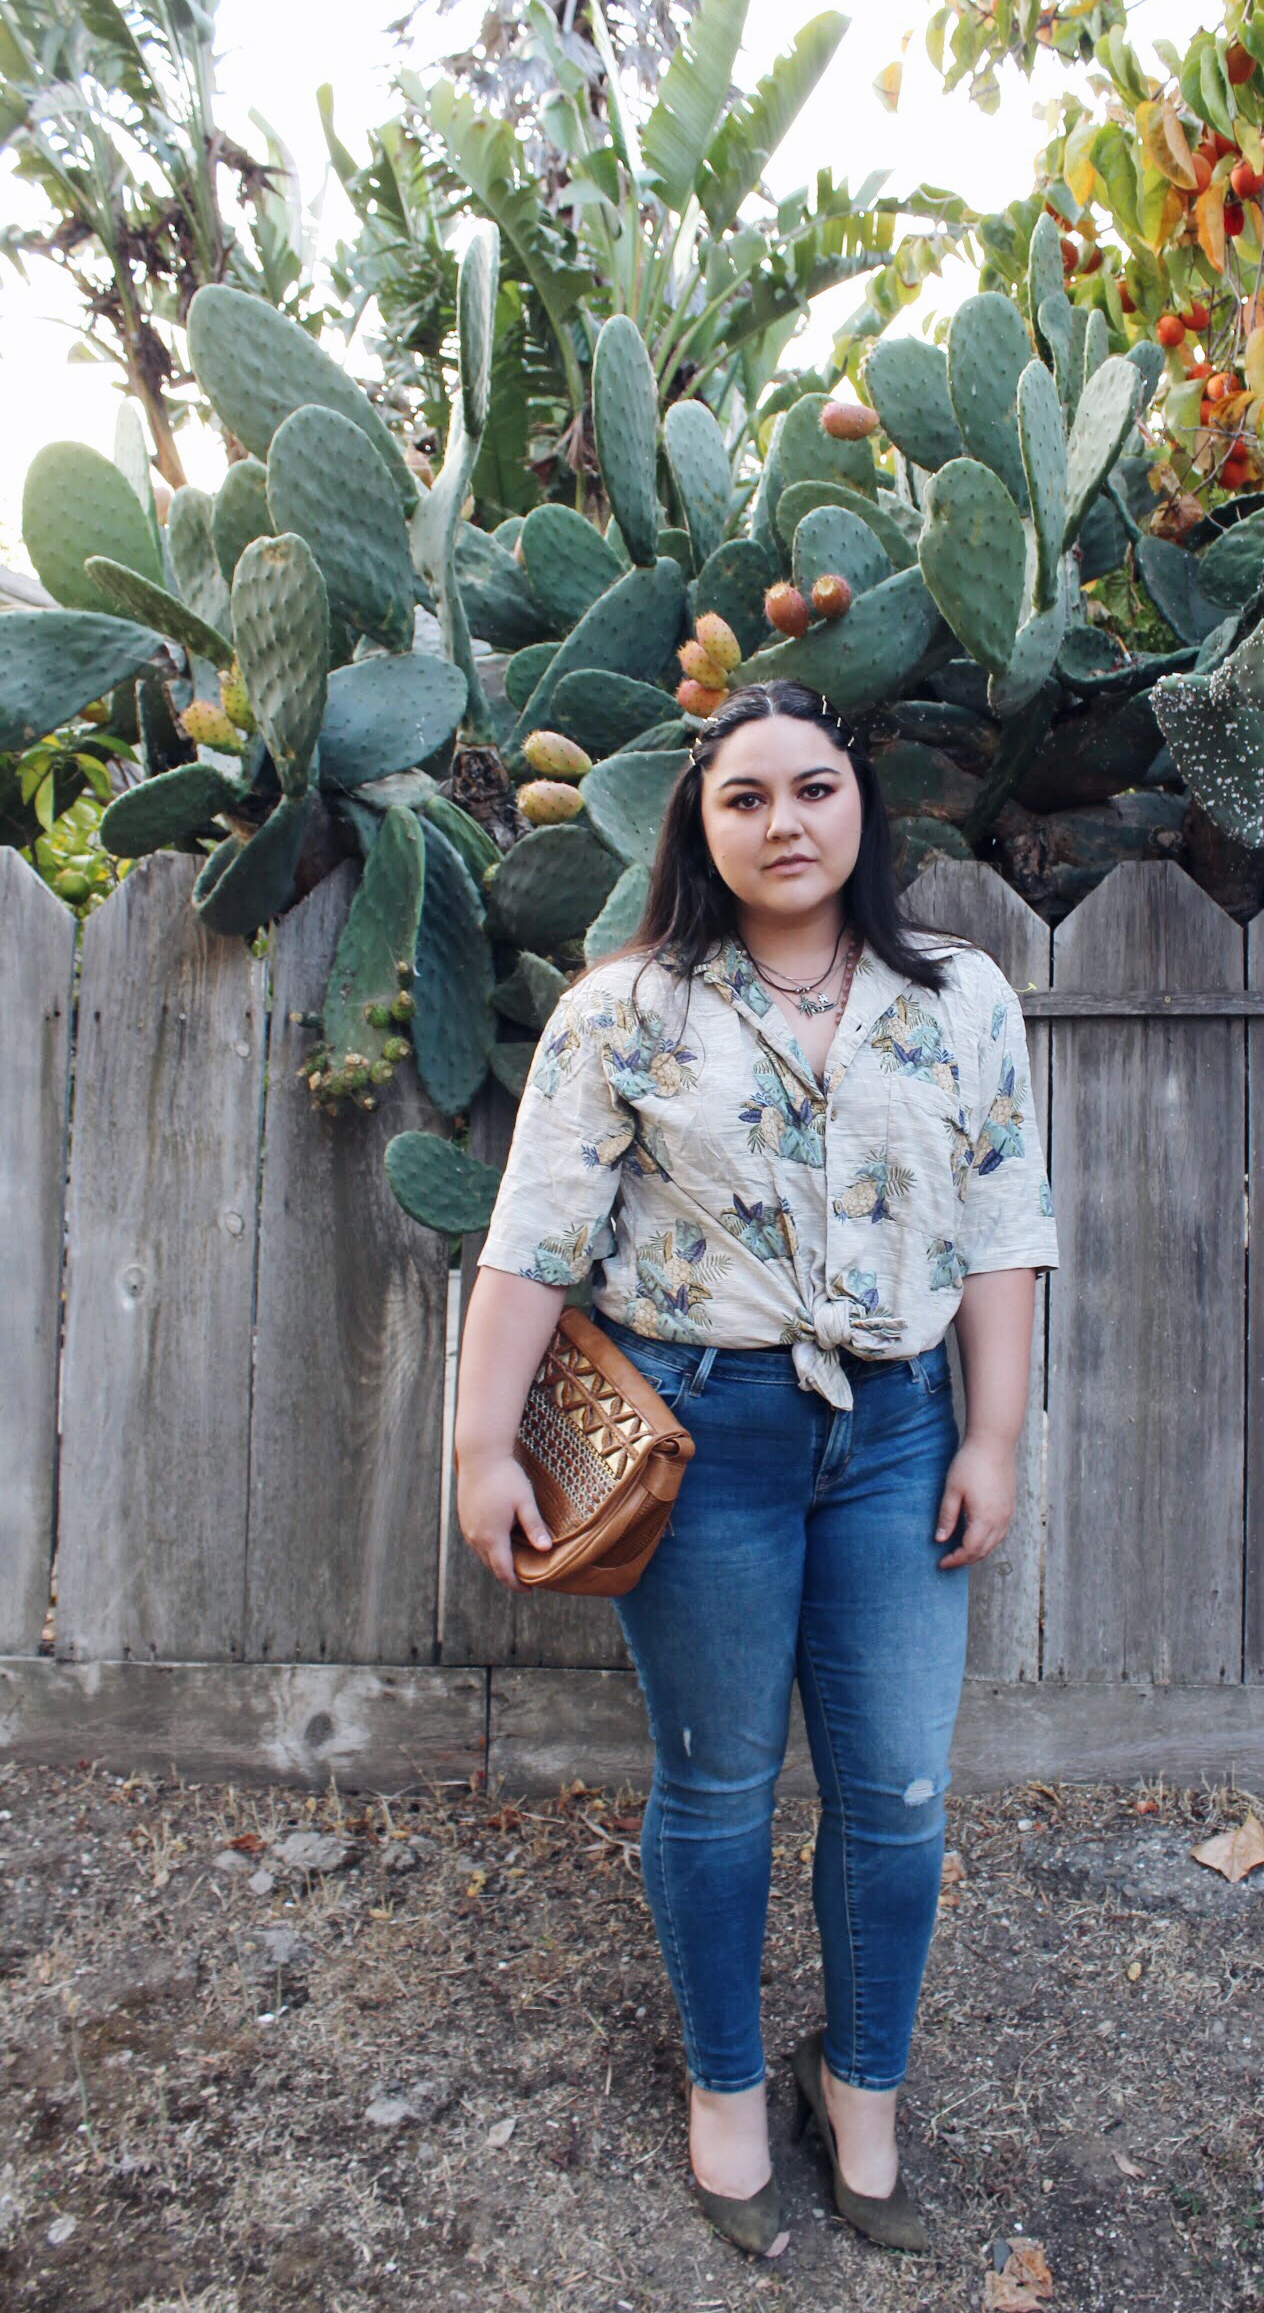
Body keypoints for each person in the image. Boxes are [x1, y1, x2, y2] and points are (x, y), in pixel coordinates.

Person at [453, 678, 1059, 2259]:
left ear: (862, 807)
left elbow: (1003, 1228)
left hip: (898, 1437)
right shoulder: (622, 1011)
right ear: (700, 825)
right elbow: (532, 1241)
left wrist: (993, 1436)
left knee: (900, 1794)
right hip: (700, 1441)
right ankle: (726, 2089)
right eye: (745, 797)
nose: (784, 822)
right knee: (718, 1786)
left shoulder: (962, 999)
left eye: (813, 789)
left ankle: (861, 2088)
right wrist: (480, 1446)